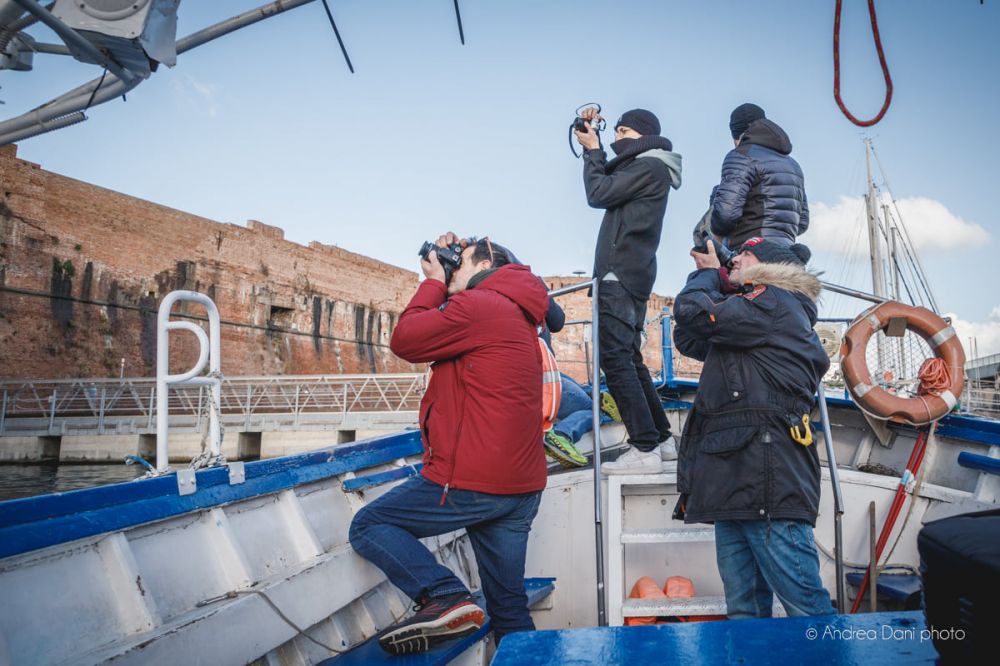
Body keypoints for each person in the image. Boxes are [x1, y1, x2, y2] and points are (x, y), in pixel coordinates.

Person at [349, 232, 550, 654]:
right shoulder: (520, 313)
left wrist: (435, 281)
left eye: (461, 262)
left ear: (485, 263)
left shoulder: (479, 306)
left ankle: (443, 594)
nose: (453, 268)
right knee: (509, 607)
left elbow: (406, 340)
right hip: (522, 485)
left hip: (475, 481)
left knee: (368, 525)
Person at [672, 237, 834, 619]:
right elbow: (688, 334)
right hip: (736, 482)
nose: (733, 262)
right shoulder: (752, 317)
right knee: (744, 611)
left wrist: (711, 275)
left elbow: (692, 312)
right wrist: (715, 278)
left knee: (806, 608)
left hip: (767, 482)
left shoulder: (775, 302)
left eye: (742, 257)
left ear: (768, 269)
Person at [574, 106, 682, 474]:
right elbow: (609, 178)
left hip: (618, 277)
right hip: (633, 276)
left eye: (623, 131)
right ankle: (662, 440)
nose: (617, 137)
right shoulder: (649, 167)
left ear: (643, 135)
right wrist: (594, 144)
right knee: (630, 360)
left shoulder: (648, 166)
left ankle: (644, 447)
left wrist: (592, 152)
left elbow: (598, 192)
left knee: (616, 360)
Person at [709, 103, 809, 249]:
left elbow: (725, 216)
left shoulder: (741, 155)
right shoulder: (793, 165)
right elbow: (802, 222)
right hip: (787, 258)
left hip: (750, 256)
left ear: (737, 134)